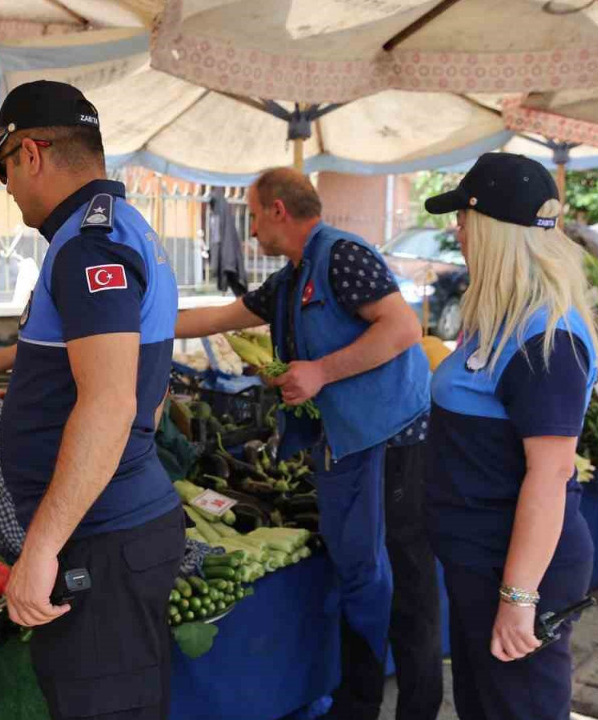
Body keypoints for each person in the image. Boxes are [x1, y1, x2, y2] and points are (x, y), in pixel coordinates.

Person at [174, 168, 441, 720]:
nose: (249, 232)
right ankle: (359, 701)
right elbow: (220, 317)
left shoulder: (342, 255)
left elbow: (402, 328)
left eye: (251, 216)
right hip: (347, 443)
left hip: (392, 441)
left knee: (402, 575)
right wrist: (142, 325)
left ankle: (415, 706)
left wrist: (320, 371)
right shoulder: (292, 278)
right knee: (362, 575)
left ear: (278, 210)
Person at [0, 80, 183, 720]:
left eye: (3, 167)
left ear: (30, 153)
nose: (5, 186)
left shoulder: (89, 245)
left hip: (101, 539)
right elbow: (151, 388)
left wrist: (40, 548)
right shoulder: (120, 227)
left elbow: (111, 403)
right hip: (111, 530)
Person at [421, 152, 598, 720]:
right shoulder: (500, 317)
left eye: (465, 218)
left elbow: (551, 474)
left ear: (494, 229)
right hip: (482, 561)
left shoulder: (545, 337)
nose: (458, 230)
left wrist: (519, 599)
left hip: (516, 569)